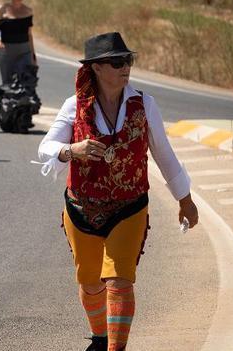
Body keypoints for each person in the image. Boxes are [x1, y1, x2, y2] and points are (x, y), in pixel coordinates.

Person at [37, 32, 198, 351]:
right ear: (96, 68)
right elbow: (46, 148)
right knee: (90, 282)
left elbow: (163, 154)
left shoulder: (145, 104)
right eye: (117, 62)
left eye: (128, 60)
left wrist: (185, 199)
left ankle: (116, 348)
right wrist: (73, 149)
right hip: (81, 209)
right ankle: (100, 336)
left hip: (130, 207)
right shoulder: (75, 106)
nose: (125, 67)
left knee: (120, 279)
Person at [0, 0, 36, 85]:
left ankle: (23, 101)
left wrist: (33, 54)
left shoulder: (28, 11)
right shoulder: (2, 9)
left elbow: (29, 34)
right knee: (7, 83)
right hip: (7, 50)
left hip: (25, 50)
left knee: (25, 81)